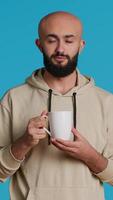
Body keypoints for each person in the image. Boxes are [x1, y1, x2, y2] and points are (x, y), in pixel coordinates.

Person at [0, 11, 113, 200]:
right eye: (52, 40)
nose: (60, 49)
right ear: (39, 45)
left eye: (69, 41)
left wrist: (90, 156)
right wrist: (24, 143)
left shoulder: (106, 102)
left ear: (81, 45)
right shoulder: (14, 98)